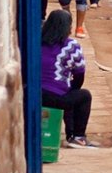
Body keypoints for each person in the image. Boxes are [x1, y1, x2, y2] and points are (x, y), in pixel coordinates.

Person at [37, 8, 92, 147]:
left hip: (34, 94)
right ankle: (77, 136)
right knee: (82, 96)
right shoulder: (70, 46)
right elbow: (79, 73)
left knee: (69, 94)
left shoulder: (36, 42)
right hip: (56, 97)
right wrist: (72, 88)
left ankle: (72, 134)